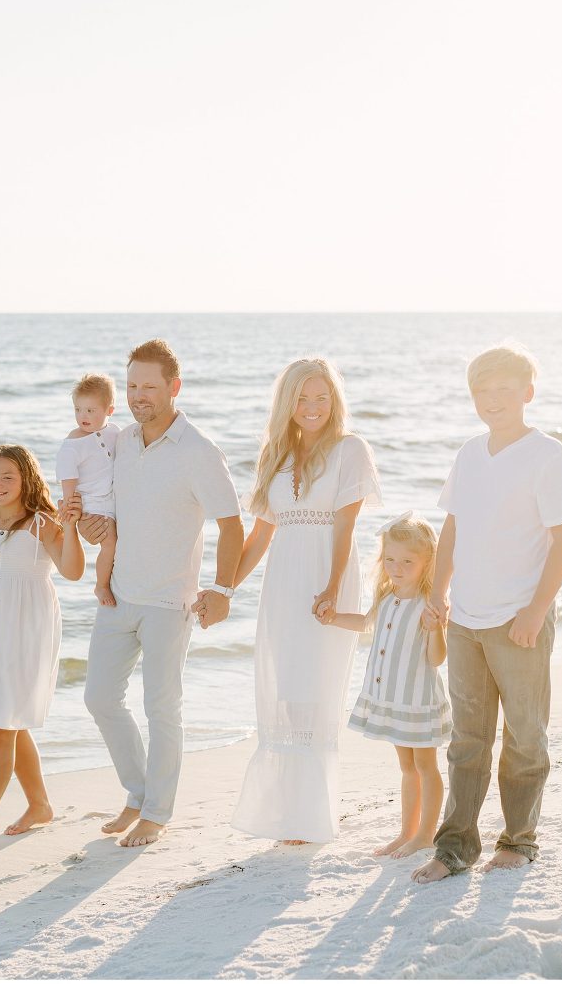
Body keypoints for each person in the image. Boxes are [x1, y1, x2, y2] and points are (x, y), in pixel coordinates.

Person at [412, 344, 562, 884]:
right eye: (483, 392)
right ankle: (456, 847)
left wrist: (536, 610)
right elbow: (454, 526)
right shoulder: (469, 453)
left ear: (527, 394)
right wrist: (437, 593)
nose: (493, 401)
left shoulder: (549, 456)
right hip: (464, 618)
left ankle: (519, 839)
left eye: (505, 391)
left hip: (519, 620)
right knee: (467, 739)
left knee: (525, 736)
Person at [78, 339, 243, 848]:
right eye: (131, 386)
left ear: (174, 387)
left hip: (171, 603)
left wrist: (222, 588)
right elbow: (108, 510)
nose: (138, 396)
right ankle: (137, 792)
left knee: (161, 708)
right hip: (118, 595)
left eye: (149, 386)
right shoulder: (120, 441)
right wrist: (91, 528)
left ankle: (157, 811)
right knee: (100, 697)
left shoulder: (198, 450)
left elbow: (232, 526)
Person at [230, 358, 381, 844]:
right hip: (282, 582)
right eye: (302, 398)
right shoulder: (275, 454)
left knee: (317, 692)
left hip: (326, 575)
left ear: (334, 401)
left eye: (322, 397)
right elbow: (259, 535)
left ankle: (312, 816)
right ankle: (288, 813)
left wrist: (334, 585)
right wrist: (223, 587)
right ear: (287, 403)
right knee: (289, 691)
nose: (312, 407)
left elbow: (346, 524)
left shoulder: (350, 450)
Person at [0, 444, 84, 855]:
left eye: (7, 476)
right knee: (8, 719)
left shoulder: (43, 525)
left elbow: (73, 572)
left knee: (0, 727)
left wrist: (71, 527)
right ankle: (40, 805)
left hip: (27, 632)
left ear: (26, 478)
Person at [316, 512, 451, 857]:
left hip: (417, 701)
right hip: (392, 699)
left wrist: (436, 627)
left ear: (427, 563)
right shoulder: (386, 598)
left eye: (408, 561)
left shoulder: (428, 605)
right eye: (390, 559)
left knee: (425, 766)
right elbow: (365, 623)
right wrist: (333, 619)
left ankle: (425, 834)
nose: (397, 567)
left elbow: (437, 659)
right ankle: (407, 832)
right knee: (407, 768)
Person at [56, 372, 119, 607]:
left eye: (90, 410)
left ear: (109, 411)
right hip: (91, 503)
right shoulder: (72, 445)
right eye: (78, 409)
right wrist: (72, 509)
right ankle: (101, 585)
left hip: (112, 498)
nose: (83, 416)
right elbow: (68, 478)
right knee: (109, 542)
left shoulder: (114, 432)